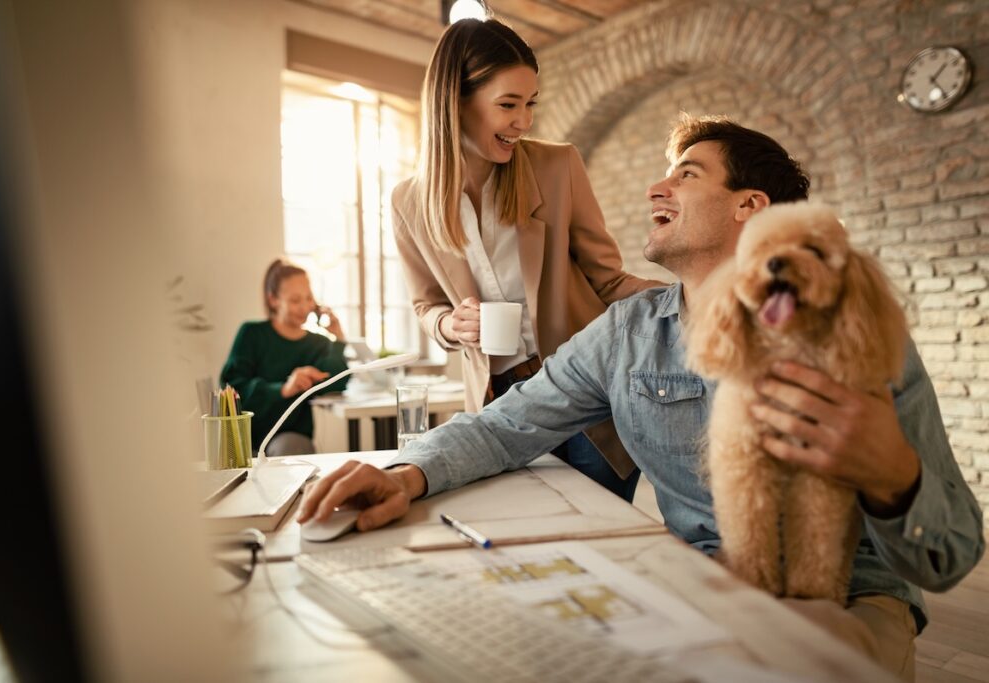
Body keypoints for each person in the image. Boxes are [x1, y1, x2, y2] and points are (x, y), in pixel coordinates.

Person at [299, 114, 985, 680]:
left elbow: (950, 552)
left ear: (751, 206)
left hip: (848, 592)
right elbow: (508, 423)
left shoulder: (853, 331)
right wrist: (407, 471)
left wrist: (894, 472)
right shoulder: (627, 332)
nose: (658, 185)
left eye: (688, 173)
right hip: (699, 584)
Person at [392, 18, 660, 501]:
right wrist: (451, 327)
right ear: (456, 102)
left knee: (595, 547)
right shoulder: (408, 202)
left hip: (588, 400)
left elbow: (608, 281)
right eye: (508, 104)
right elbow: (424, 306)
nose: (524, 121)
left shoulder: (557, 167)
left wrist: (693, 295)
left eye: (530, 103)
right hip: (500, 409)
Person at [220, 259, 349, 456]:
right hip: (247, 438)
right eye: (295, 300)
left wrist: (338, 340)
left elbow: (336, 384)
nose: (305, 307)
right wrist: (283, 389)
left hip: (290, 439)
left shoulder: (318, 343)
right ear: (273, 300)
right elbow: (232, 390)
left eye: (309, 298)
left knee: (289, 449)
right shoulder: (251, 334)